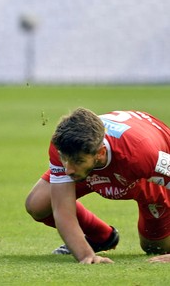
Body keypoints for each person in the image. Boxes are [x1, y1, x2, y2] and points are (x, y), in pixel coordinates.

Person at [25, 107, 170, 264]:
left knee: (155, 247)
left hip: (144, 176)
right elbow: (62, 209)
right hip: (92, 171)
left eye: (77, 161)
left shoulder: (142, 154)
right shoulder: (63, 145)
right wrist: (86, 255)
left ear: (100, 153)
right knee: (38, 204)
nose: (68, 169)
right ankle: (102, 237)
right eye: (64, 159)